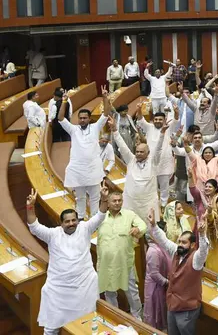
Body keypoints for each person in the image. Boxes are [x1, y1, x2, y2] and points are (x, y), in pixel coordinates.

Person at [26, 188, 108, 335]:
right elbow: (34, 227)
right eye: (67, 221)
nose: (71, 224)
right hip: (59, 290)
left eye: (73, 220)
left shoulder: (85, 228)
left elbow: (100, 216)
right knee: (51, 329)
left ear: (77, 220)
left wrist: (103, 199)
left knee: (86, 324)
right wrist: (30, 207)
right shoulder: (52, 234)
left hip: (84, 287)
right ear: (61, 223)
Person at [147, 208, 210, 335]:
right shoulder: (176, 251)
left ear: (192, 245)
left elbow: (203, 251)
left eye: (184, 242)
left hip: (187, 309)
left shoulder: (195, 260)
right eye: (179, 241)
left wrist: (202, 235)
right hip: (172, 304)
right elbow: (163, 240)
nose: (180, 244)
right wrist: (154, 226)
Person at [59, 87, 110, 220]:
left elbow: (106, 114)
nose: (82, 120)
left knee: (95, 197)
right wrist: (64, 101)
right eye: (80, 118)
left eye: (85, 118)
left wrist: (105, 97)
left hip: (93, 169)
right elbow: (60, 118)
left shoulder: (95, 127)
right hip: (78, 170)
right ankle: (80, 219)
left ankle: (94, 220)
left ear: (89, 119)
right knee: (80, 197)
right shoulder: (73, 130)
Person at [97, 191, 147, 320]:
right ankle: (115, 318)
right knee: (110, 292)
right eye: (114, 201)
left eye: (120, 200)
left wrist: (137, 229)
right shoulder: (100, 217)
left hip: (125, 262)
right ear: (107, 202)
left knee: (131, 291)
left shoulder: (129, 215)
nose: (118, 203)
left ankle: (137, 318)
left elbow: (143, 225)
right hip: (106, 264)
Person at [108, 114, 165, 220]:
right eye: (137, 151)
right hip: (131, 202)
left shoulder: (153, 161)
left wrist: (162, 134)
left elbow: (158, 149)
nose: (138, 154)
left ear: (148, 153)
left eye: (141, 152)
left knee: (151, 230)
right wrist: (115, 130)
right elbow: (122, 145)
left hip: (148, 202)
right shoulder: (131, 160)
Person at [136, 107, 180, 208]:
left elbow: (176, 119)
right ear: (153, 120)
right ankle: (153, 206)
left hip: (165, 163)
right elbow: (140, 119)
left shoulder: (168, 128)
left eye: (160, 119)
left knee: (164, 188)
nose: (158, 121)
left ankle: (163, 206)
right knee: (151, 187)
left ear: (164, 120)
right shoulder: (149, 127)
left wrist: (176, 111)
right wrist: (139, 109)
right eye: (156, 119)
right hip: (151, 163)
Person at [144, 221, 169, 331]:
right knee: (155, 311)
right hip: (154, 287)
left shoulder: (160, 246)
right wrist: (167, 282)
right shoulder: (153, 251)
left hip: (161, 284)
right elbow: (154, 274)